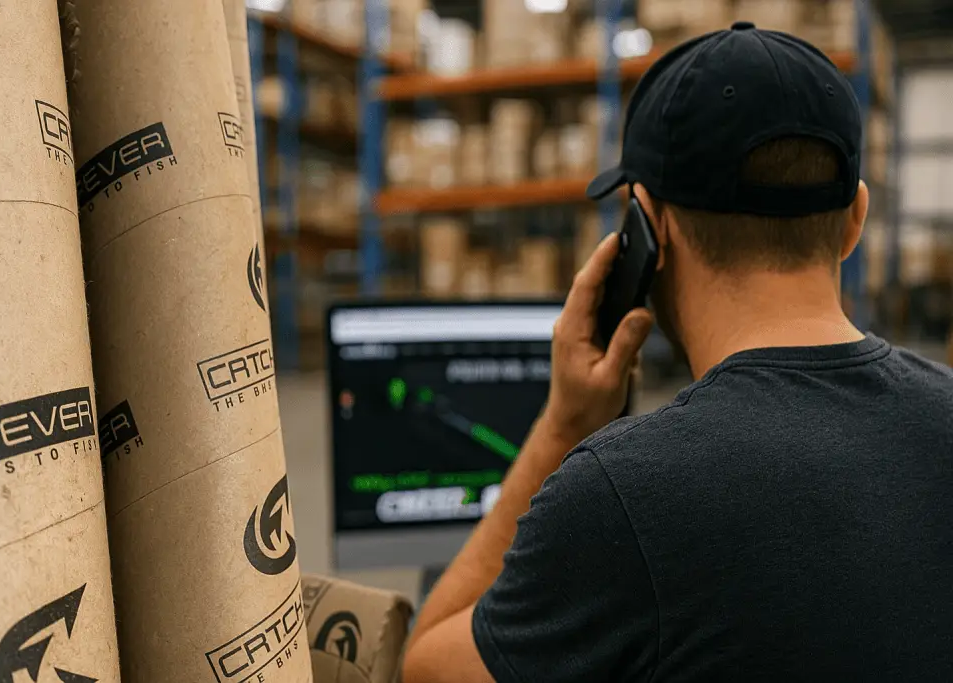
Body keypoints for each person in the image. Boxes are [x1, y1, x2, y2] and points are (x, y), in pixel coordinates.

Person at [401, 22, 953, 683]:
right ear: (855, 219)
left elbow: (428, 665)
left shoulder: (622, 494)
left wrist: (565, 424)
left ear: (646, 228)